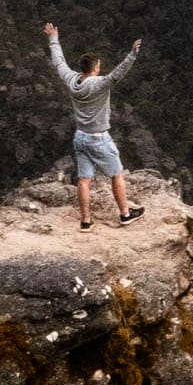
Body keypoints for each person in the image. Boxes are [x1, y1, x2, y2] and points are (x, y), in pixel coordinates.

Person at [43, 22, 144, 230]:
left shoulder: (72, 80)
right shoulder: (99, 84)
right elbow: (118, 74)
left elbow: (59, 62)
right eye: (99, 66)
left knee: (84, 179)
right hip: (99, 138)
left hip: (80, 137)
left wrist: (53, 39)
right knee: (116, 174)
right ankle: (125, 214)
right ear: (95, 68)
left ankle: (86, 221)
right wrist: (132, 54)